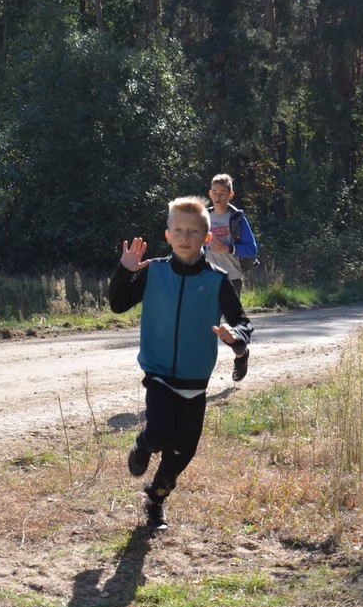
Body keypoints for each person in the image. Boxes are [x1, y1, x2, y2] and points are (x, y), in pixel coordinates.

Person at [110, 196, 253, 531]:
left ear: (206, 238)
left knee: (183, 452)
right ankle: (143, 444)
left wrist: (236, 336)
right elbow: (118, 304)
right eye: (178, 230)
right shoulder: (155, 272)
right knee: (160, 432)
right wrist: (124, 271)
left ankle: (154, 500)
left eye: (192, 231)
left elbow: (242, 320)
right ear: (168, 234)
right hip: (158, 372)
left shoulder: (217, 280)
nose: (185, 236)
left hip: (195, 381)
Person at [205, 173, 258, 382]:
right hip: (206, 280)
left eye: (222, 193)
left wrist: (229, 248)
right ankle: (201, 375)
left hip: (231, 279)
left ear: (230, 195)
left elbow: (252, 249)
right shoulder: (204, 216)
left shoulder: (237, 218)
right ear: (210, 194)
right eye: (214, 193)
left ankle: (241, 354)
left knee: (232, 329)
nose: (217, 197)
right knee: (207, 327)